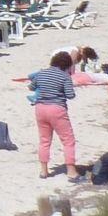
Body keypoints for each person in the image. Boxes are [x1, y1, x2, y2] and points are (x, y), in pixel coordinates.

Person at [28, 49, 80, 178]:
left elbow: (31, 87)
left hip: (40, 108)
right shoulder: (65, 76)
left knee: (44, 140)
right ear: (67, 65)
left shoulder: (41, 73)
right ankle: (71, 171)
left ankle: (44, 171)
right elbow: (70, 95)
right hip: (57, 109)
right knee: (68, 141)